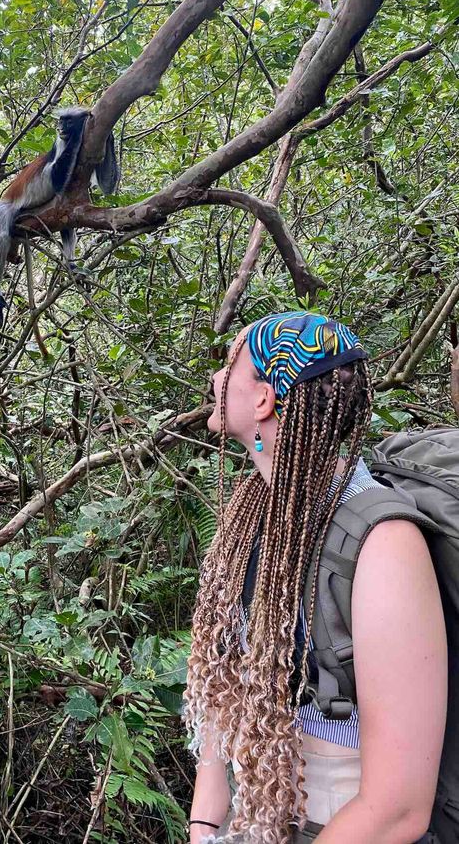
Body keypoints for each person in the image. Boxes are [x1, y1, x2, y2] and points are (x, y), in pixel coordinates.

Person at [183, 311, 447, 844]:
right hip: (261, 808)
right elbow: (224, 683)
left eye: (230, 365)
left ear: (262, 401)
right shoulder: (254, 509)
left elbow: (397, 808)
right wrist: (205, 825)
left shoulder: (384, 546)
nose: (216, 379)